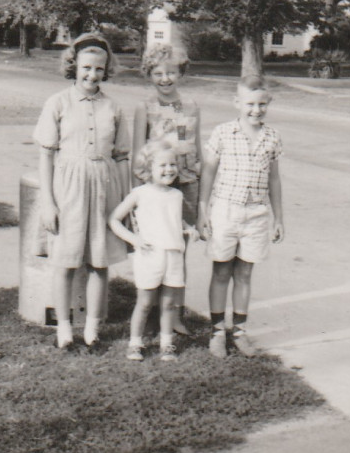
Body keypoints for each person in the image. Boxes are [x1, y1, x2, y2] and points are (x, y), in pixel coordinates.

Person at [34, 32, 130, 350]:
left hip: (105, 188)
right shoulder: (57, 103)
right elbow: (46, 154)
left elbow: (120, 158)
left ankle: (91, 328)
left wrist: (126, 203)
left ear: (106, 70)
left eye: (99, 69)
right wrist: (48, 202)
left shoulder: (113, 108)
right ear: (74, 66)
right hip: (68, 190)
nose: (92, 75)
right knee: (66, 260)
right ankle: (63, 329)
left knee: (99, 262)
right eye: (86, 68)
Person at [197, 75, 284, 358]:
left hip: (256, 214)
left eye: (262, 104)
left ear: (268, 103)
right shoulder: (223, 133)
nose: (255, 110)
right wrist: (202, 210)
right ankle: (218, 330)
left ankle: (240, 330)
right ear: (237, 102)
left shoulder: (272, 138)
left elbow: (274, 180)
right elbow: (208, 172)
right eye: (250, 104)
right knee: (222, 270)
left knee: (245, 272)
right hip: (225, 210)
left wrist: (278, 218)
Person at [132, 43, 202, 335]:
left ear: (180, 73)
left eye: (171, 72)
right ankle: (149, 311)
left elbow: (195, 148)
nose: (165, 79)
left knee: (178, 249)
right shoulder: (144, 108)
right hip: (153, 187)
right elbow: (138, 154)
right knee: (153, 248)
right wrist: (136, 197)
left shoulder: (191, 107)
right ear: (149, 74)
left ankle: (174, 314)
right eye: (158, 73)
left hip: (185, 183)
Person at [109, 140, 200, 362]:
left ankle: (166, 343)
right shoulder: (139, 193)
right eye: (162, 165)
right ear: (148, 168)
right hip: (150, 255)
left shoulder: (176, 195)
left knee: (169, 303)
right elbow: (114, 219)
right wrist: (134, 239)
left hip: (173, 255)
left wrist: (189, 229)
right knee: (145, 302)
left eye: (173, 164)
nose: (169, 170)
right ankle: (135, 343)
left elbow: (174, 219)